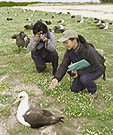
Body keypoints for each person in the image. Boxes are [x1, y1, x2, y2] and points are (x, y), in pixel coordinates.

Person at [49, 30, 106, 97]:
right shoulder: (69, 51)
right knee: (75, 89)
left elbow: (97, 66)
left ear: (74, 40)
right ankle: (85, 82)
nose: (65, 45)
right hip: (84, 69)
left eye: (66, 42)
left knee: (84, 79)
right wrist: (56, 78)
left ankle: (93, 91)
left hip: (97, 69)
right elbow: (64, 65)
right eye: (64, 43)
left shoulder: (88, 50)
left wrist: (79, 73)